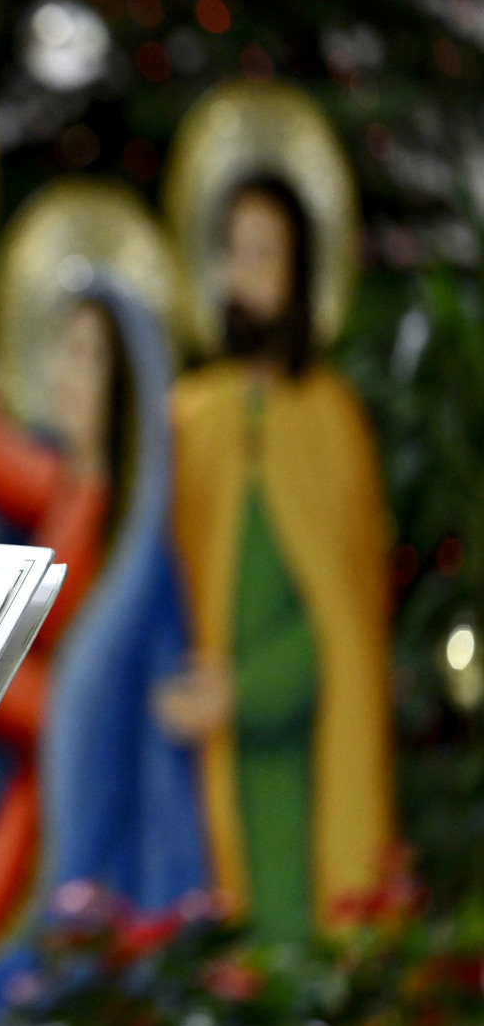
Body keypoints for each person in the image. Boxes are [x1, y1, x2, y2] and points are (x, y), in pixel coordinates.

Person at [159, 176, 394, 943]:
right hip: (196, 759)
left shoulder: (331, 418)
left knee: (292, 946)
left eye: (264, 253)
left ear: (299, 270)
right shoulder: (191, 413)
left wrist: (249, 689)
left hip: (299, 761)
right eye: (232, 251)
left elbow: (346, 619)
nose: (244, 272)